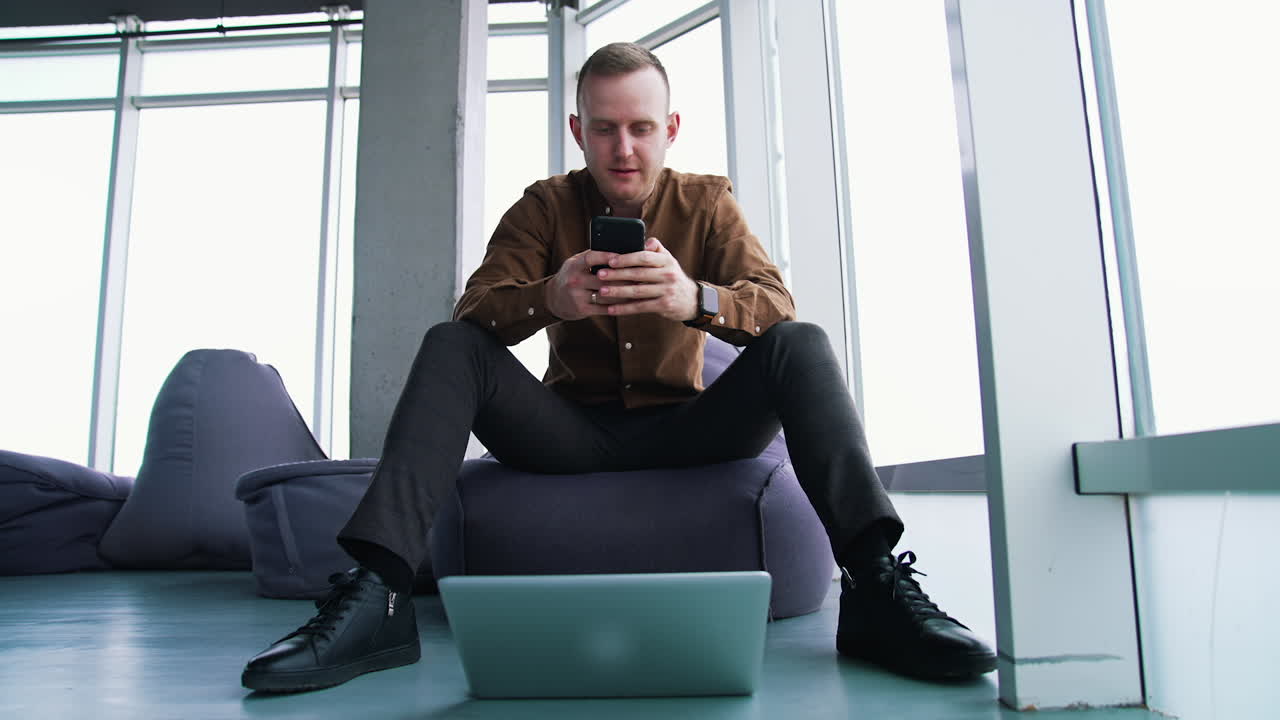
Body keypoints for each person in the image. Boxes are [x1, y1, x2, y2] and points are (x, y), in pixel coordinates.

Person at [240, 42, 996, 693]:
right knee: (449, 344)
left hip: (691, 426)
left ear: (669, 130)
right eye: (604, 130)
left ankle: (874, 585)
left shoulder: (707, 205)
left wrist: (693, 298)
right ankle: (380, 598)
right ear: (578, 130)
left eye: (640, 128)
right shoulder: (543, 207)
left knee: (803, 343)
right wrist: (551, 298)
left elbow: (776, 306)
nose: (623, 149)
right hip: (568, 433)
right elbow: (476, 311)